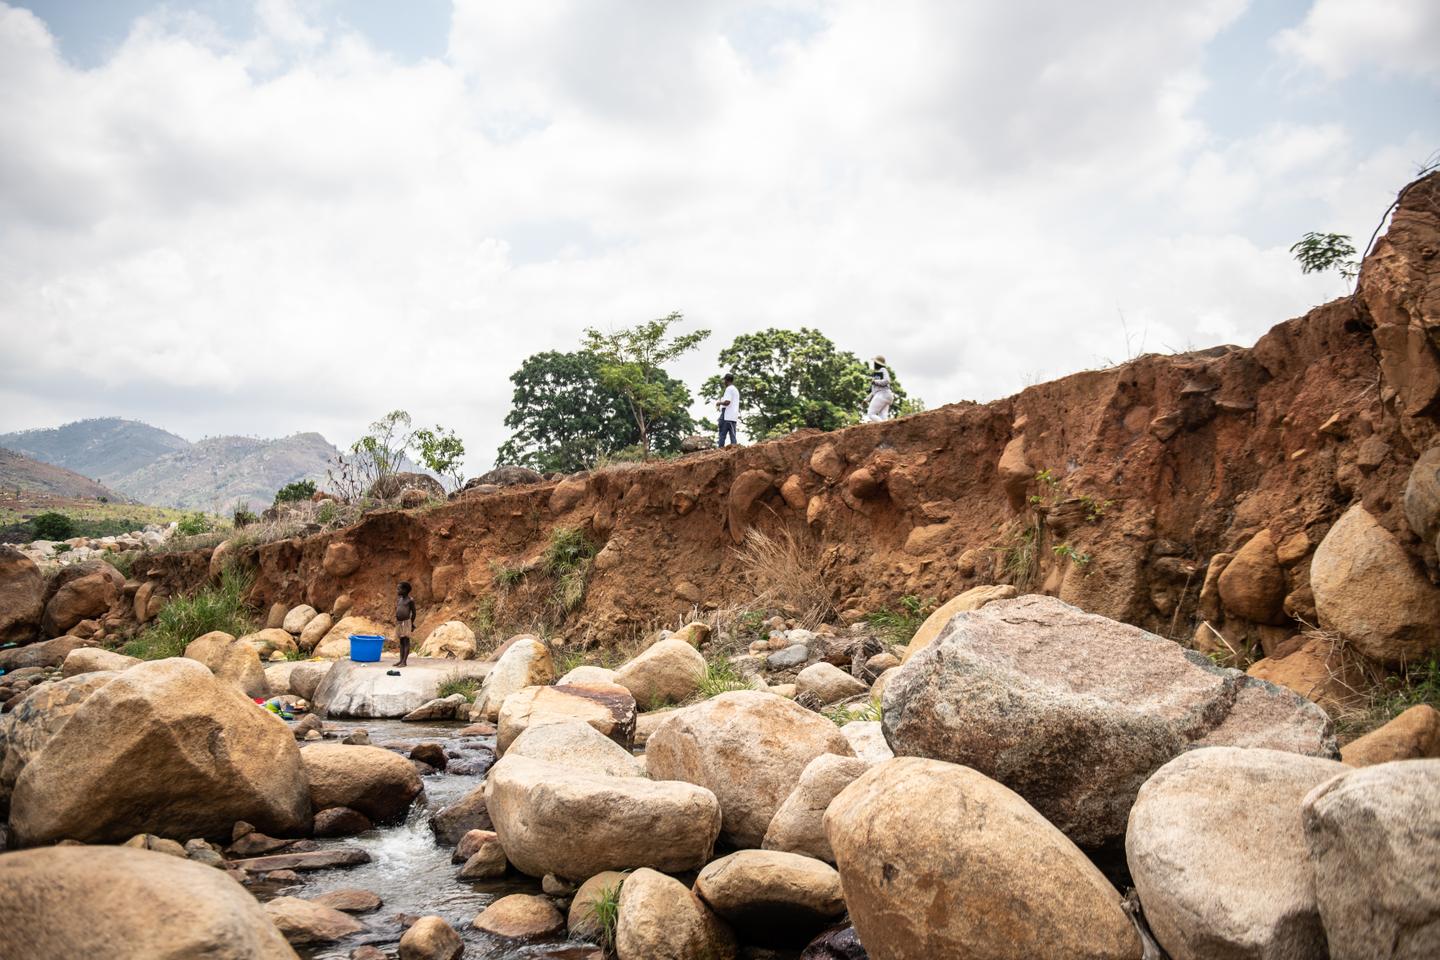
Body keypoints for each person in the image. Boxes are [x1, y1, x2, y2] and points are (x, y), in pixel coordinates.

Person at [864, 356, 893, 422]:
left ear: (877, 363)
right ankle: (886, 429)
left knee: (871, 414)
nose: (873, 364)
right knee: (883, 417)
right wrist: (866, 399)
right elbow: (875, 391)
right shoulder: (877, 374)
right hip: (885, 395)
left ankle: (884, 427)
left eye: (874, 362)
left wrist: (874, 381)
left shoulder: (883, 369)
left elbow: (887, 380)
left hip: (882, 394)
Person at [394, 580, 416, 668]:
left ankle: (404, 662)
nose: (397, 591)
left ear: (405, 590)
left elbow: (414, 613)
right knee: (401, 641)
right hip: (399, 622)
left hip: (406, 622)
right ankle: (400, 660)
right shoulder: (400, 600)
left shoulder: (410, 600)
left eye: (399, 589)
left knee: (406, 641)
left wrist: (411, 623)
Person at [717, 372, 741, 447]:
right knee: (733, 436)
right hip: (733, 416)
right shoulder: (735, 390)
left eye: (724, 380)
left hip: (726, 415)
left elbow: (727, 402)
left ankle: (719, 451)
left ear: (726, 380)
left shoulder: (729, 389)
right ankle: (735, 451)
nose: (724, 382)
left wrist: (719, 403)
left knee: (722, 435)